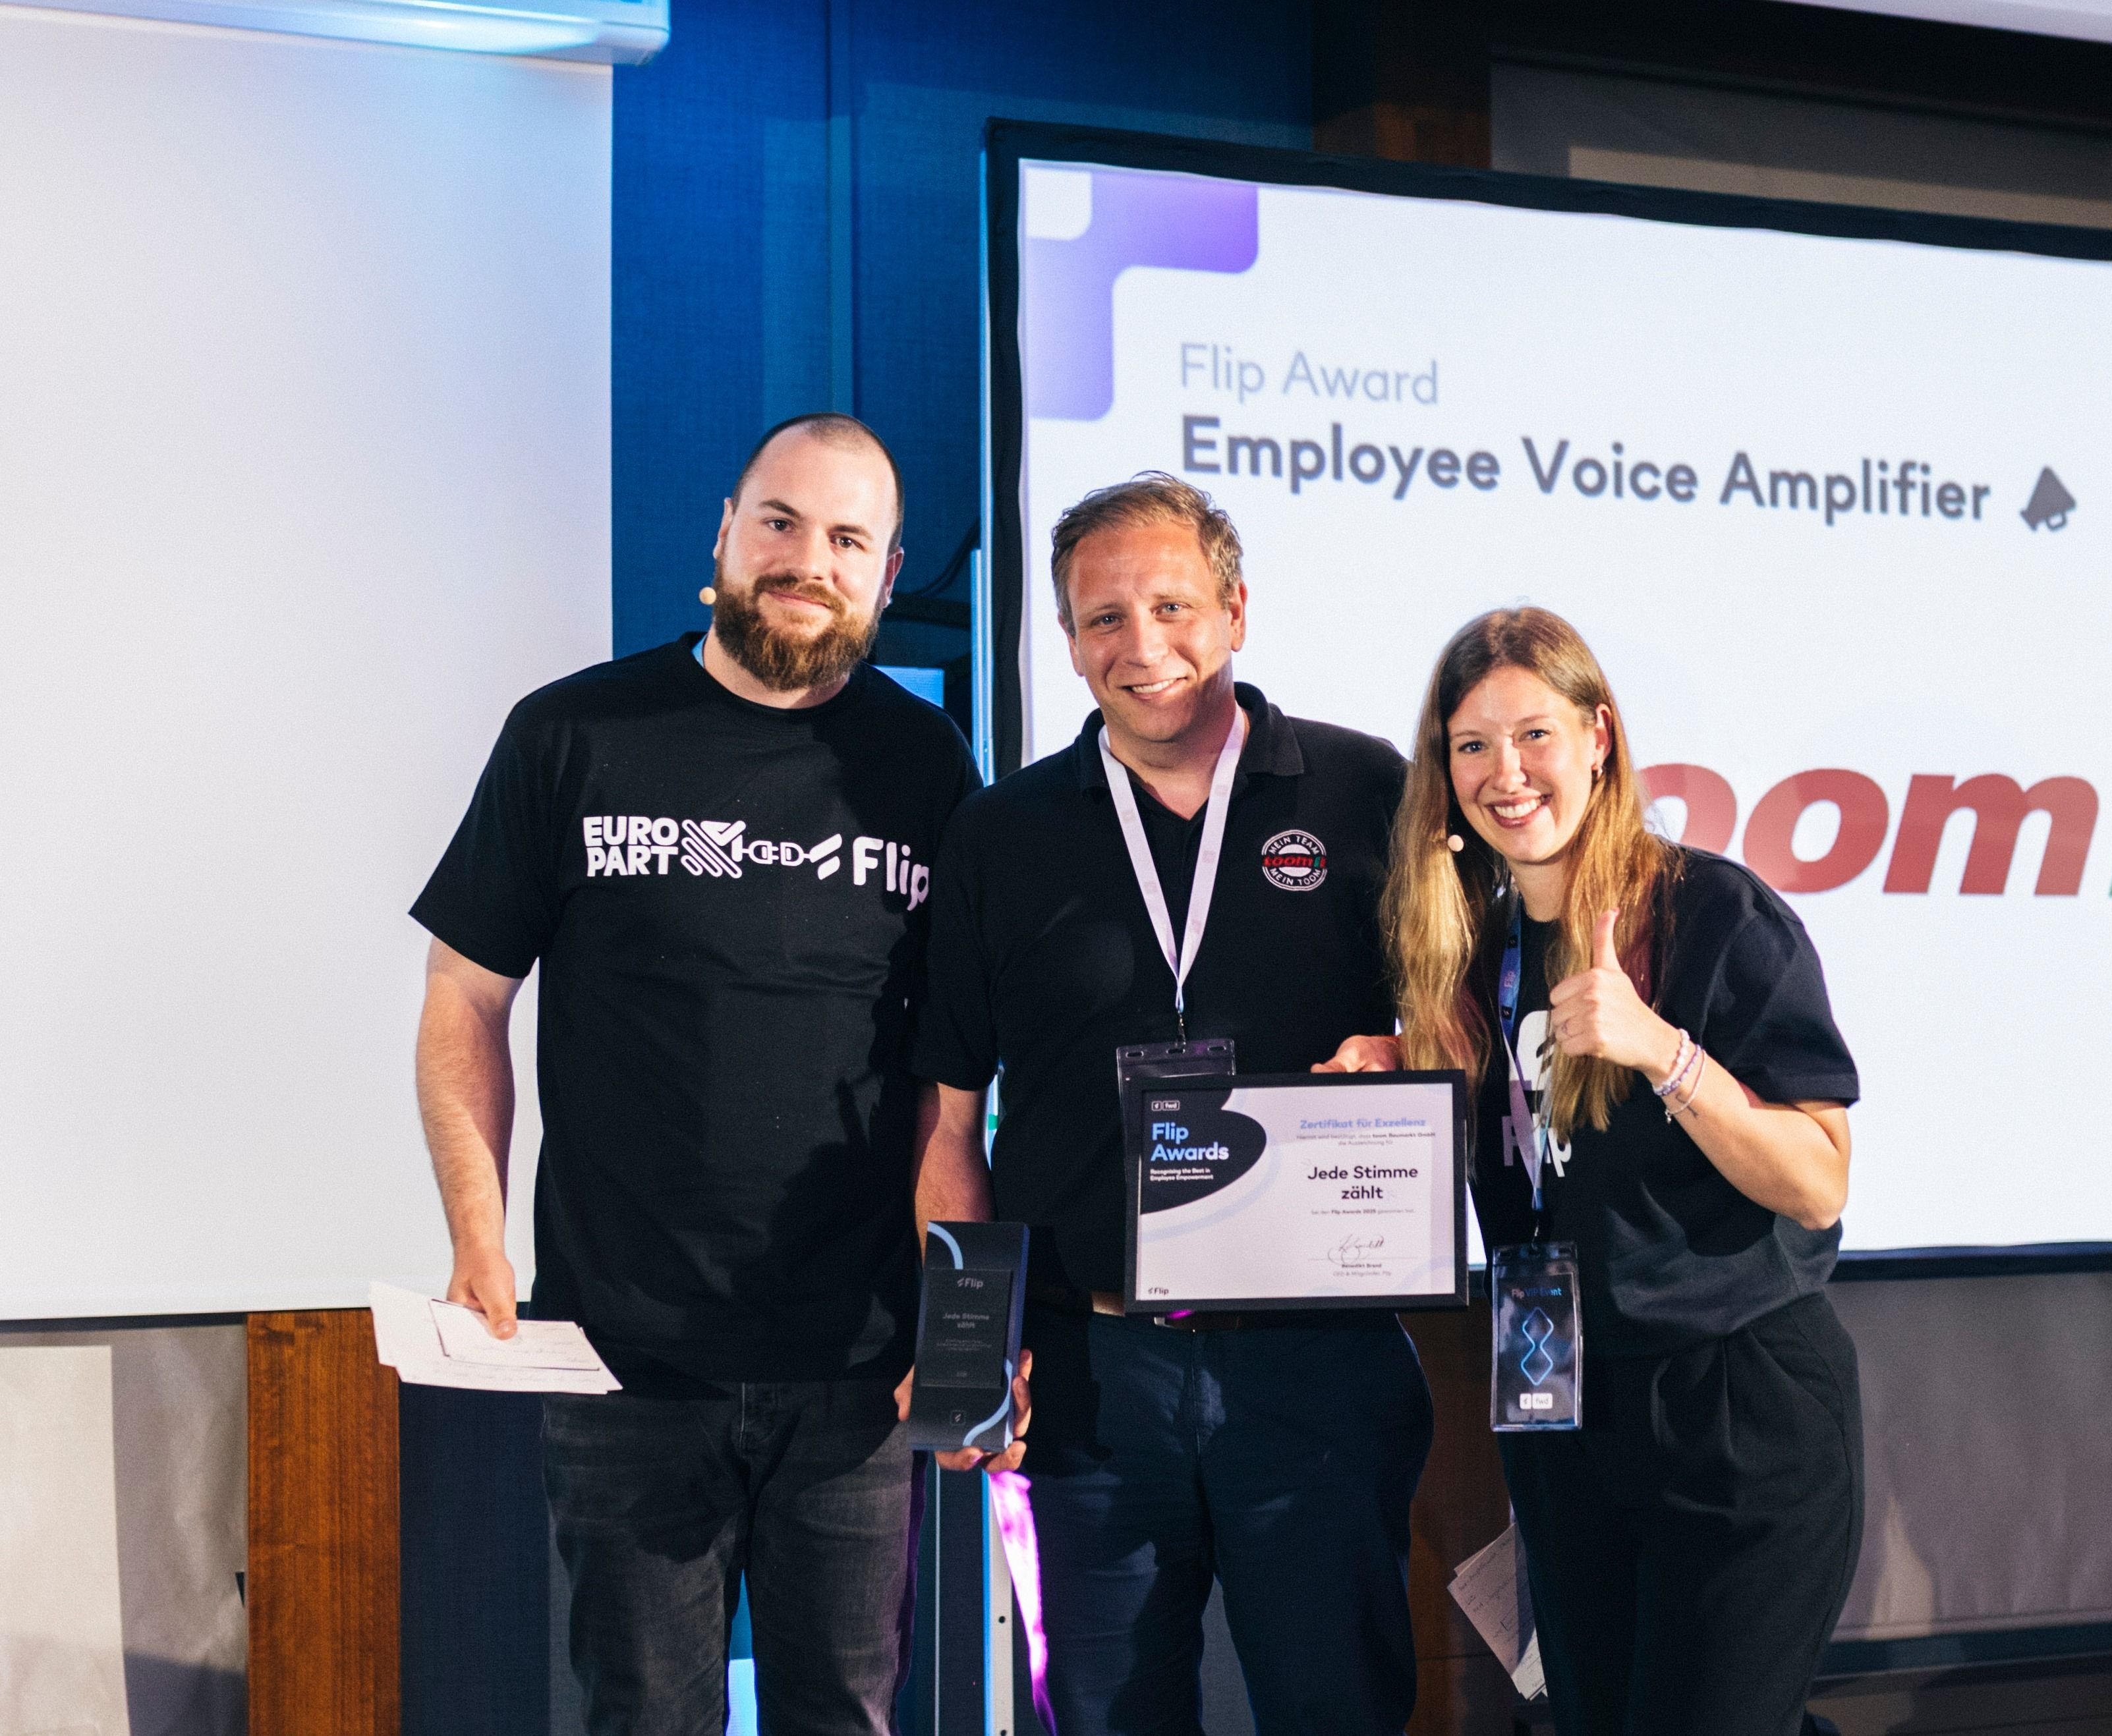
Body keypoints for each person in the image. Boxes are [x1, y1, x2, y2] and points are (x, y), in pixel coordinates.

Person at [410, 413, 979, 1736]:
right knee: (643, 1720)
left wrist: (954, 1322)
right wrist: (478, 1234)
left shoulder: (926, 767)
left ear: (888, 575)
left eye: (847, 539)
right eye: (779, 521)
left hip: (853, 1369)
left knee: (844, 1716)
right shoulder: (572, 732)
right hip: (624, 1361)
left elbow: (952, 1081)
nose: (807, 560)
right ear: (724, 530)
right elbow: (464, 999)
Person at [909, 473, 1429, 1735]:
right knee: (1105, 1715)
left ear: (1236, 611)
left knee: (1339, 1709)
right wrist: (967, 1354)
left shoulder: (1366, 791)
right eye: (1103, 618)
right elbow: (948, 1118)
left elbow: (1467, 1017)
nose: (1141, 646)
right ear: (1066, 639)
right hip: (1091, 1375)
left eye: (1172, 607)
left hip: (1317, 1364)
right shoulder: (1002, 833)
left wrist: (1406, 1048)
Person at [1383, 606, 1863, 1736]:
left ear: (1598, 737)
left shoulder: (1712, 914)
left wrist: (1661, 1051)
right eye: (1471, 745)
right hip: (1556, 1401)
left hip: (1731, 1403)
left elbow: (1818, 1182)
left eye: (1533, 735)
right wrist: (1392, 1081)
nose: (1505, 773)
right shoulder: (1468, 957)